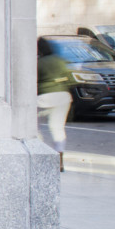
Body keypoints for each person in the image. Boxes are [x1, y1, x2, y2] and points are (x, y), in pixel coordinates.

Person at [37, 41, 72, 171]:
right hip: (63, 97)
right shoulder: (60, 60)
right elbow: (71, 79)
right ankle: (59, 159)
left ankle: (38, 154)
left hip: (44, 97)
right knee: (57, 127)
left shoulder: (39, 63)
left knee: (33, 127)